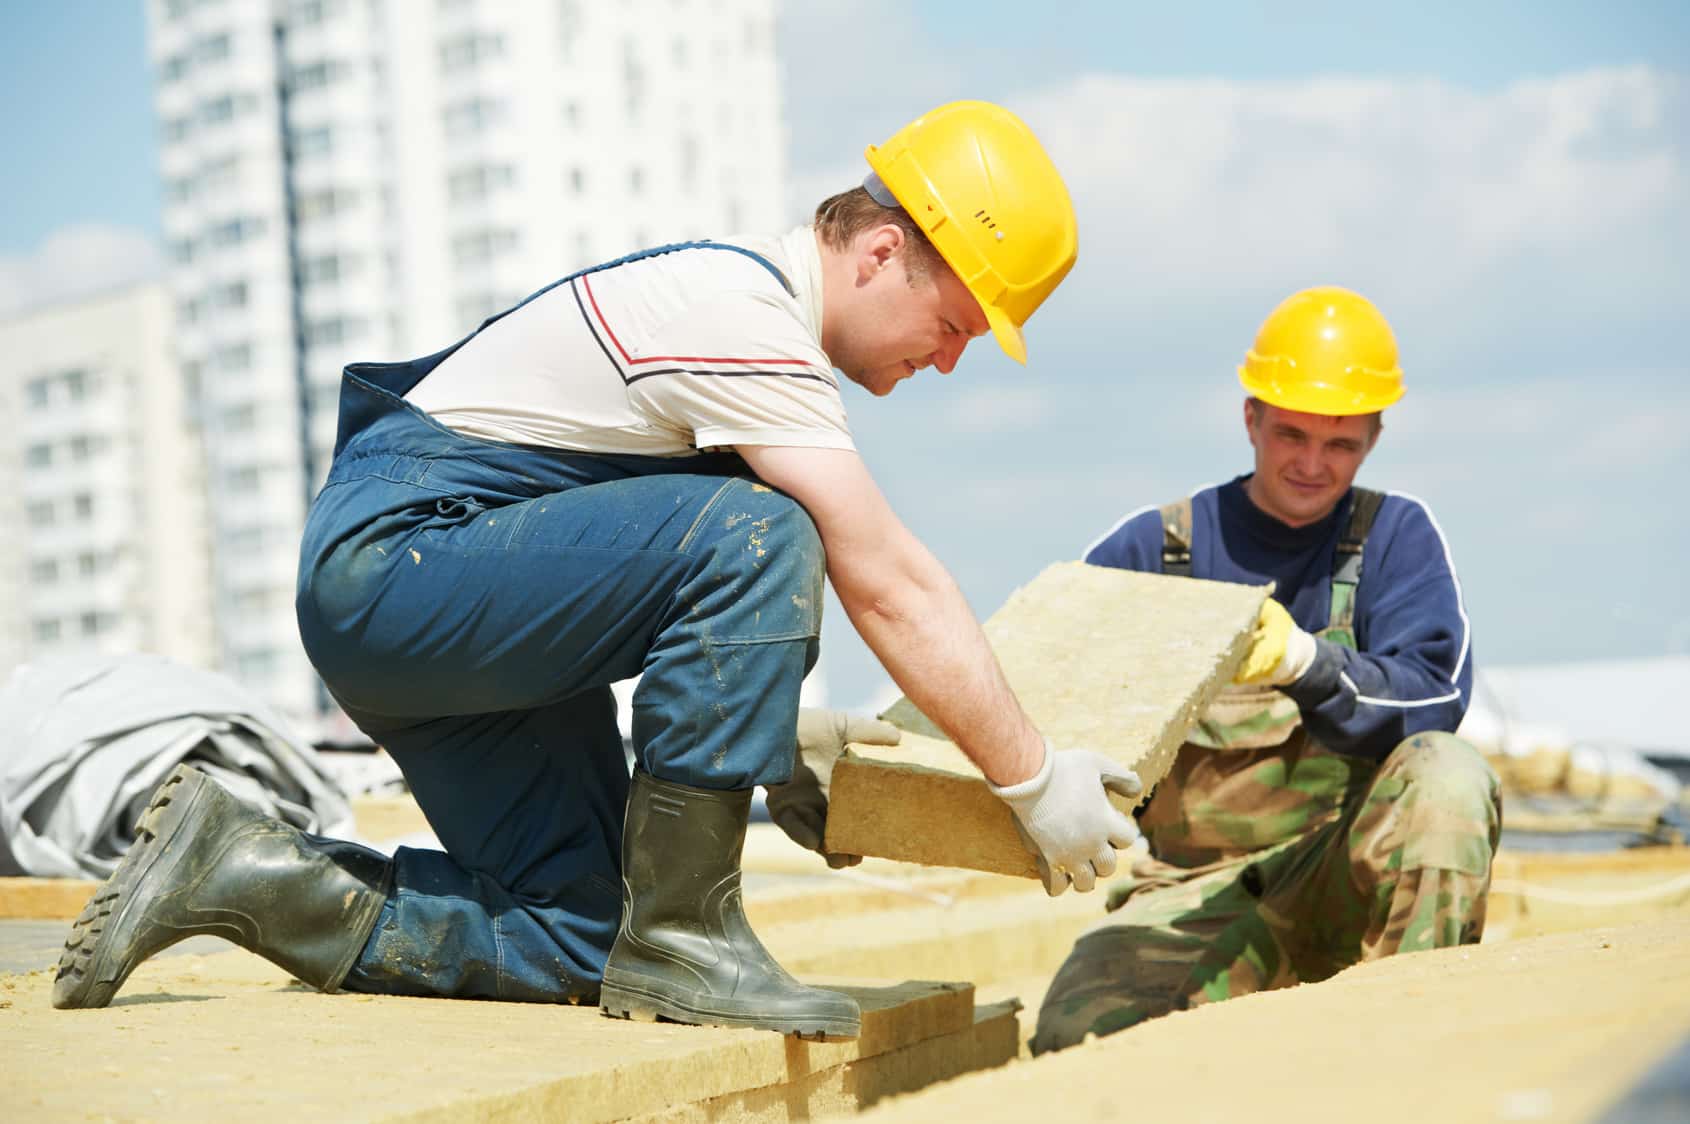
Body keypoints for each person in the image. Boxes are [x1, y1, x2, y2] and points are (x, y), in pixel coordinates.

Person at [53, 100, 1143, 1039]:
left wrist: (776, 753)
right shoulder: (742, 315)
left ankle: (243, 871)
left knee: (581, 937)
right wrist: (1030, 776)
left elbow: (633, 576)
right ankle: (690, 933)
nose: (948, 359)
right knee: (763, 531)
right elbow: (882, 577)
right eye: (951, 324)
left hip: (448, 614)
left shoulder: (744, 336)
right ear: (878, 254)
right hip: (402, 564)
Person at [1031, 286, 1501, 1054]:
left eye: (1341, 444)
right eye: (1291, 435)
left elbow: (1436, 700)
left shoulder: (1394, 540)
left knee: (1447, 773)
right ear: (1250, 418)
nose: (1313, 465)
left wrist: (1308, 663)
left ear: (1374, 439)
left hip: (1341, 879)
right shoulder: (1158, 552)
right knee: (1075, 1042)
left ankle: (1415, 1055)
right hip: (1191, 896)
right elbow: (1042, 688)